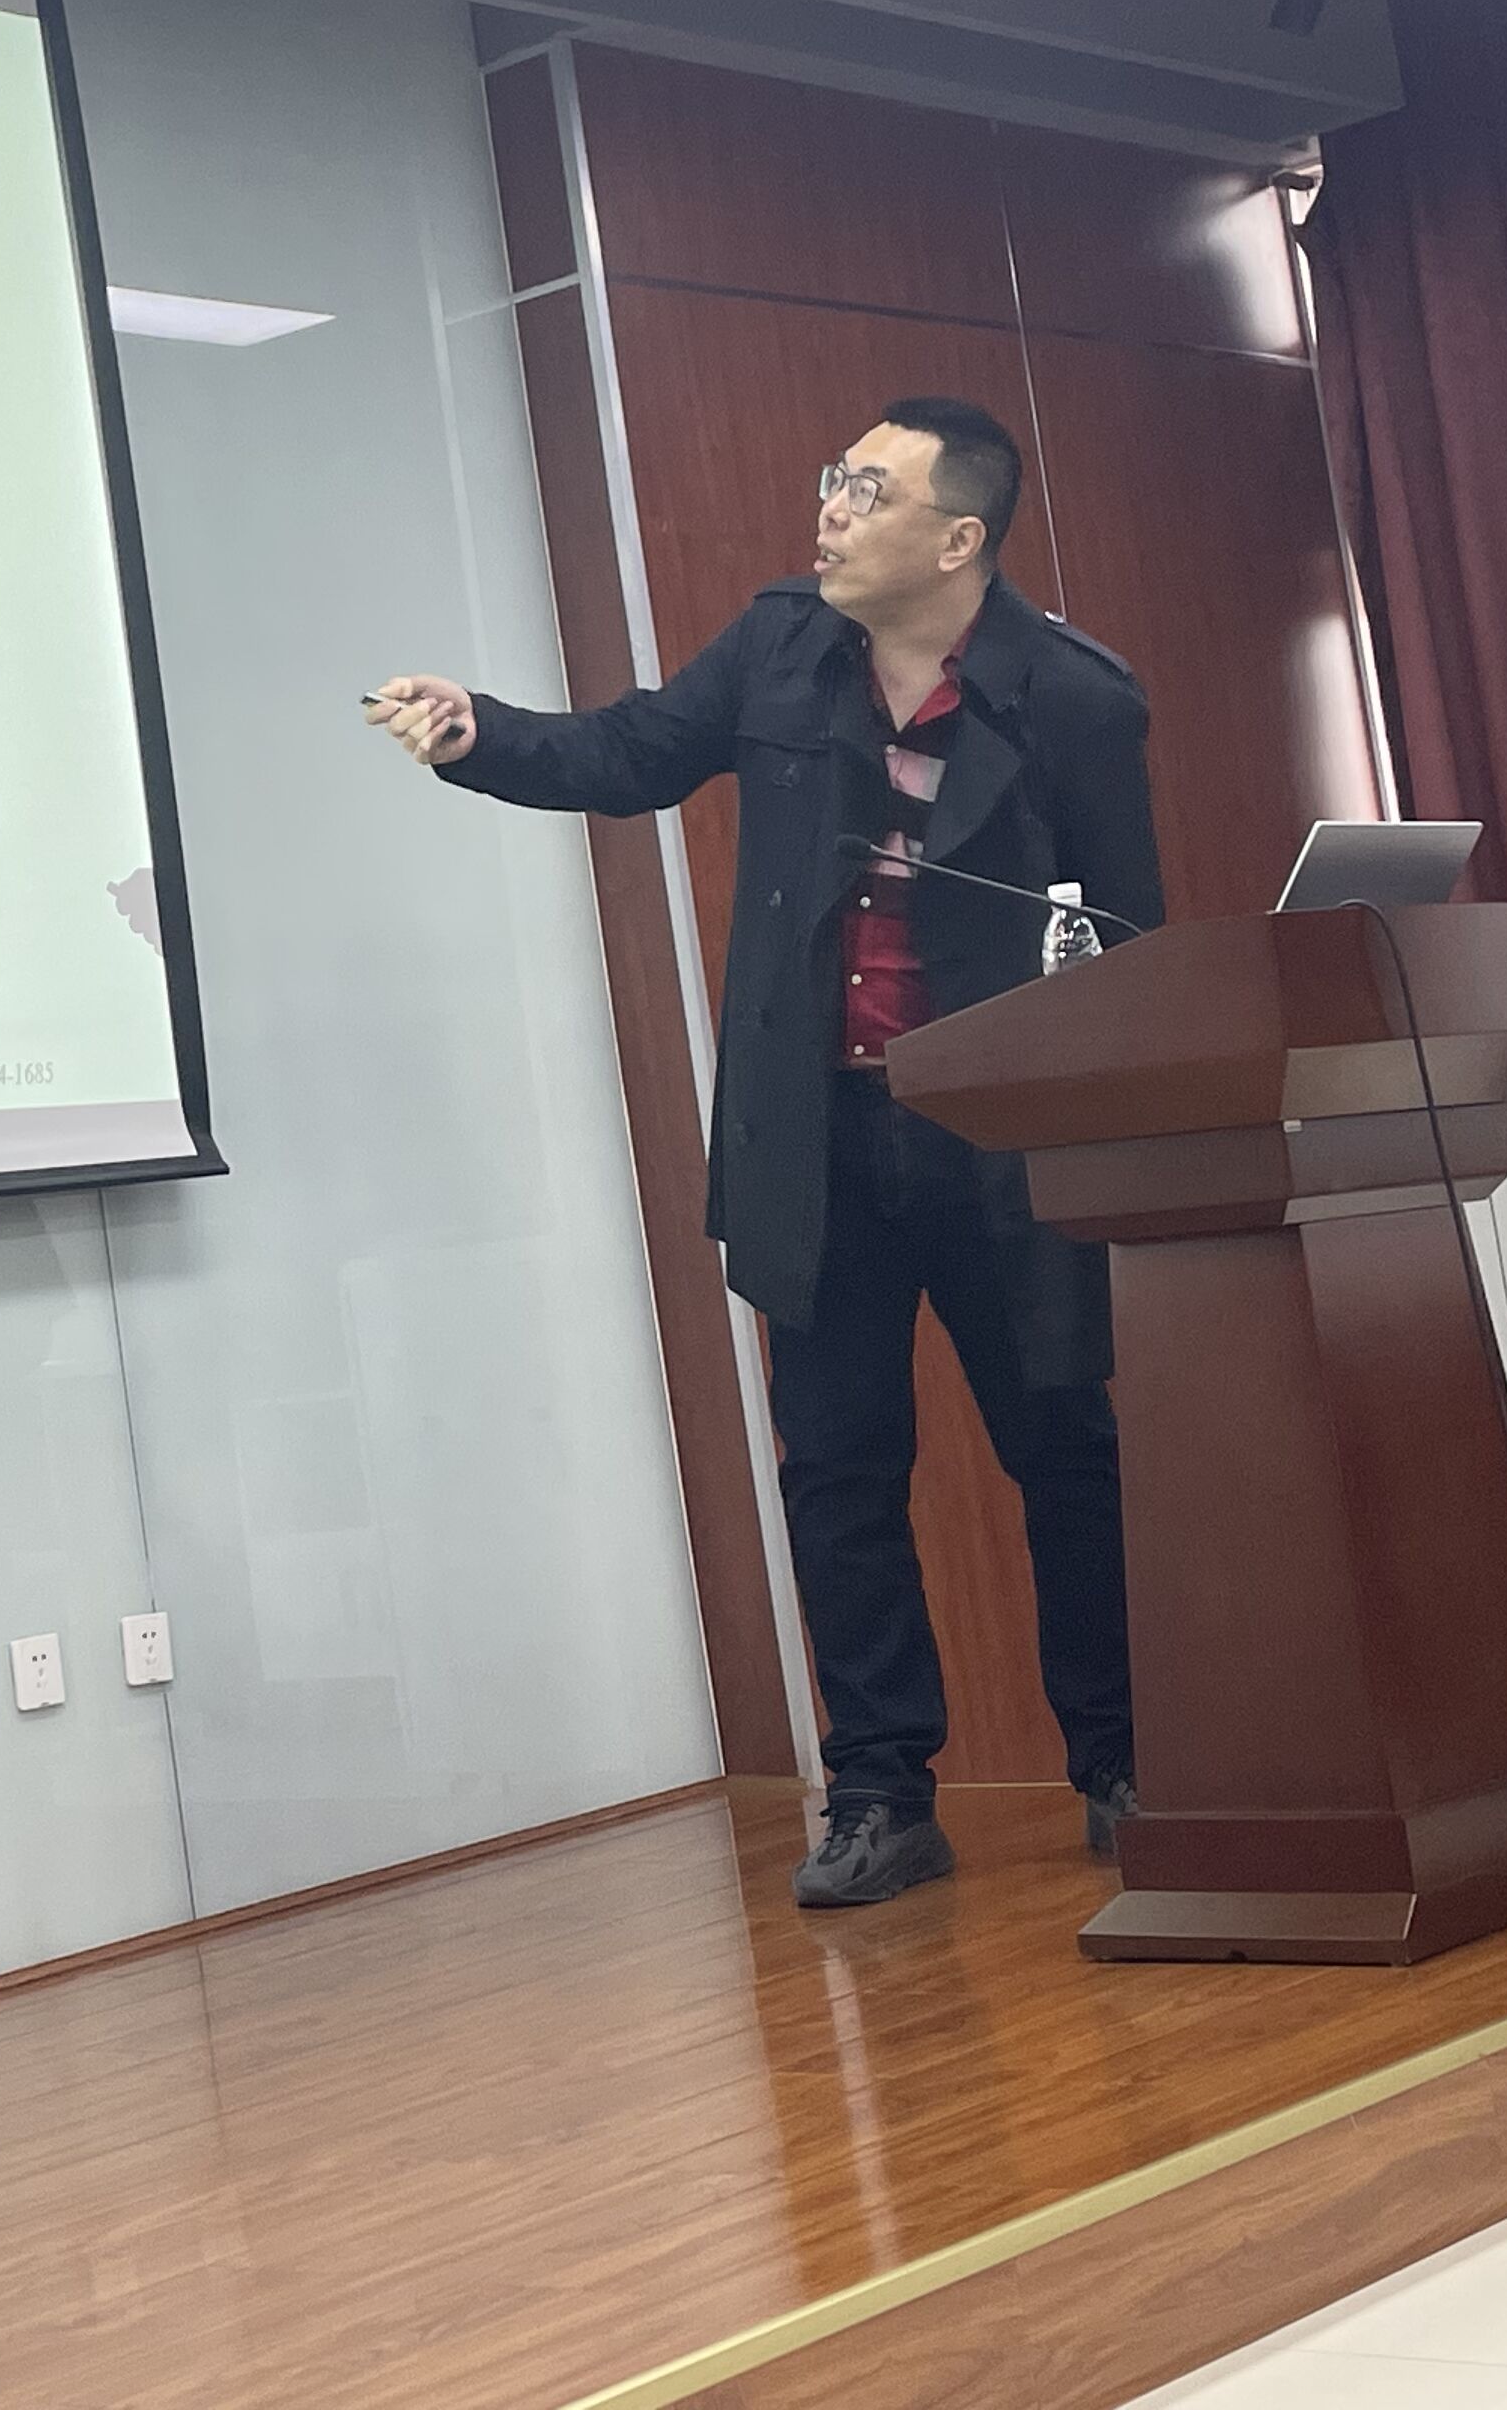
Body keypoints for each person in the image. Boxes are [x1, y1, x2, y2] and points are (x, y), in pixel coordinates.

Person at [370, 397, 1162, 1908]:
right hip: (820, 1137)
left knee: (1065, 1451)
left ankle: (1128, 1766)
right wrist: (482, 732)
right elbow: (629, 752)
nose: (833, 510)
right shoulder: (782, 646)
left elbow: (1130, 932)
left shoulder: (1071, 699)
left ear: (959, 539)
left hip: (1003, 1143)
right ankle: (880, 1795)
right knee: (838, 1470)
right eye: (834, 479)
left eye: (869, 491)